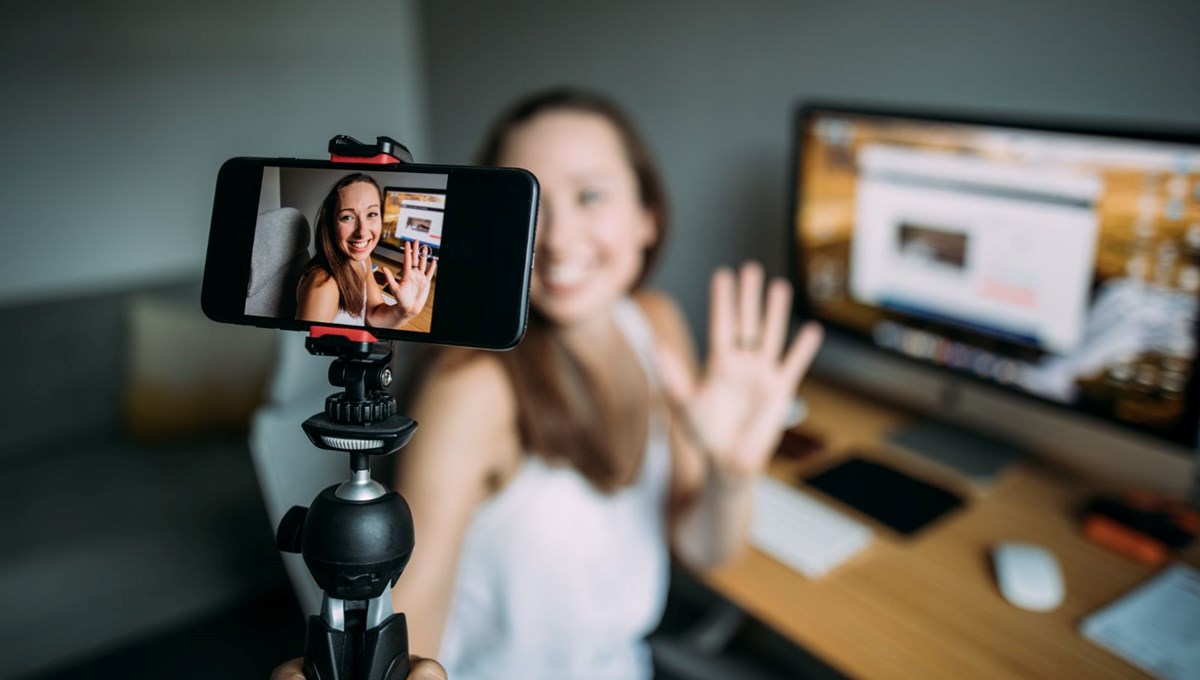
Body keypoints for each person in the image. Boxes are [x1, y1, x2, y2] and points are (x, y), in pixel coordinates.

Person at [389, 87, 823, 680]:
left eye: (590, 195)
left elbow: (705, 551)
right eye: (530, 204)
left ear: (648, 216)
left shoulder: (656, 324)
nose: (558, 238)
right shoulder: (472, 387)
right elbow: (409, 624)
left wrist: (732, 477)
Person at [296, 173, 437, 328]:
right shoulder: (323, 289)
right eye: (347, 217)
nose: (362, 232)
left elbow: (372, 314)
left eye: (372, 214)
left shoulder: (362, 258)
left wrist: (403, 312)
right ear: (330, 225)